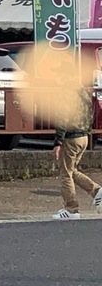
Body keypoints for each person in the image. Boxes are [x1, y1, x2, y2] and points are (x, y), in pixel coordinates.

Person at [52, 79, 102, 220]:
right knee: (72, 170)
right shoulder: (83, 93)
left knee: (65, 174)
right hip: (83, 137)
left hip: (71, 138)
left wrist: (58, 142)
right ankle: (96, 191)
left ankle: (71, 209)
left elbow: (62, 118)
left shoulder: (66, 93)